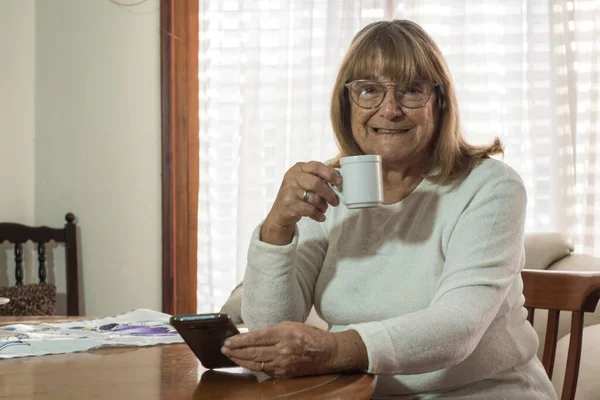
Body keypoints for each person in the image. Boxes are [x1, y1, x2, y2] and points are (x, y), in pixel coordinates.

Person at [220, 20, 557, 399]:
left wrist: (331, 350)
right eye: (369, 90)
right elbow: (272, 325)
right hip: (354, 393)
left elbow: (457, 328)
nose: (390, 109)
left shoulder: (490, 187)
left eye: (412, 90)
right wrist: (277, 228)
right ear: (347, 103)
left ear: (440, 102)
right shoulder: (330, 188)